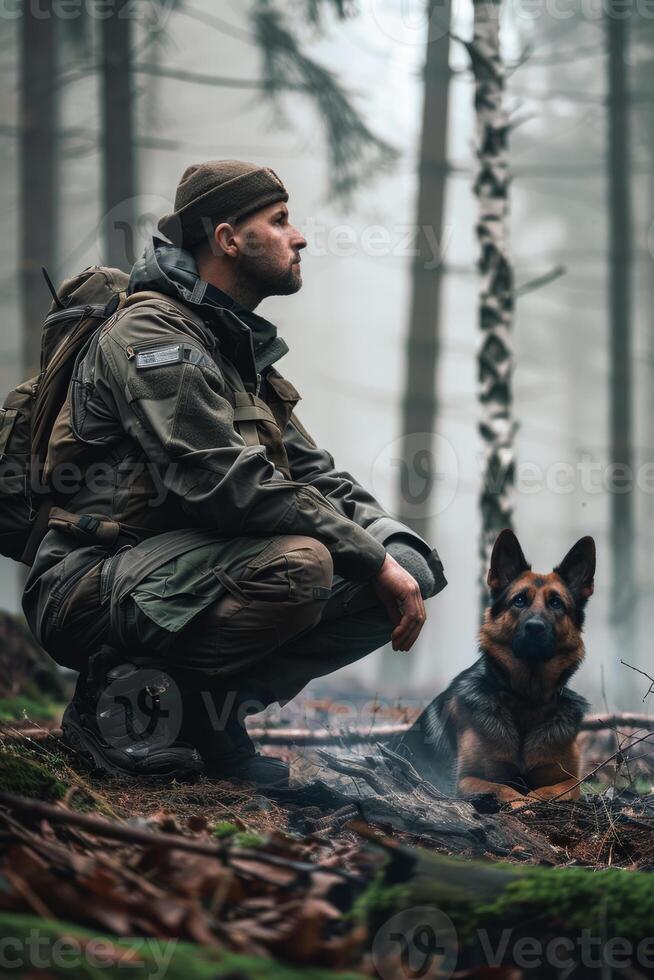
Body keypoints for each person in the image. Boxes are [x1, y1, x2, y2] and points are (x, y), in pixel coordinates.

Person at [23, 160, 447, 786]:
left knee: (405, 569)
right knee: (305, 564)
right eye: (278, 222)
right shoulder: (151, 334)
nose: (298, 237)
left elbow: (315, 476)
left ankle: (202, 716)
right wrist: (366, 556)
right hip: (90, 582)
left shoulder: (233, 350)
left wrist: (391, 543)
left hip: (185, 573)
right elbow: (229, 488)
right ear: (227, 239)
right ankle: (113, 705)